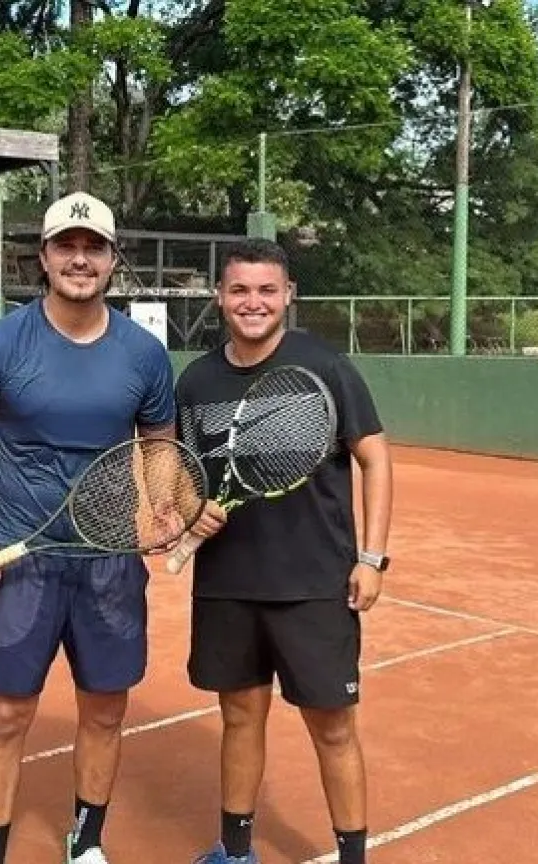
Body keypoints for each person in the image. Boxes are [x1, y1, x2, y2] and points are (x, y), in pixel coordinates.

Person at [0, 191, 178, 864]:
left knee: (104, 710)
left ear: (113, 260)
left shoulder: (143, 354)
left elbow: (158, 443)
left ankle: (85, 842)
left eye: (94, 247)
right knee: (6, 716)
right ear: (44, 256)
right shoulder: (0, 344)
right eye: (67, 245)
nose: (80, 259)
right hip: (20, 566)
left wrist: (161, 504)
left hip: (109, 564)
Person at [175, 238, 393, 864]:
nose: (253, 303)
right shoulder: (197, 380)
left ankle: (352, 857)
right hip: (227, 585)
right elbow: (190, 470)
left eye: (267, 290)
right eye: (240, 290)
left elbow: (375, 459)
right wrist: (192, 507)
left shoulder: (324, 365)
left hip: (315, 585)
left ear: (288, 296)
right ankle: (236, 852)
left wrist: (371, 558)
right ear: (220, 296)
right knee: (241, 718)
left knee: (332, 726)